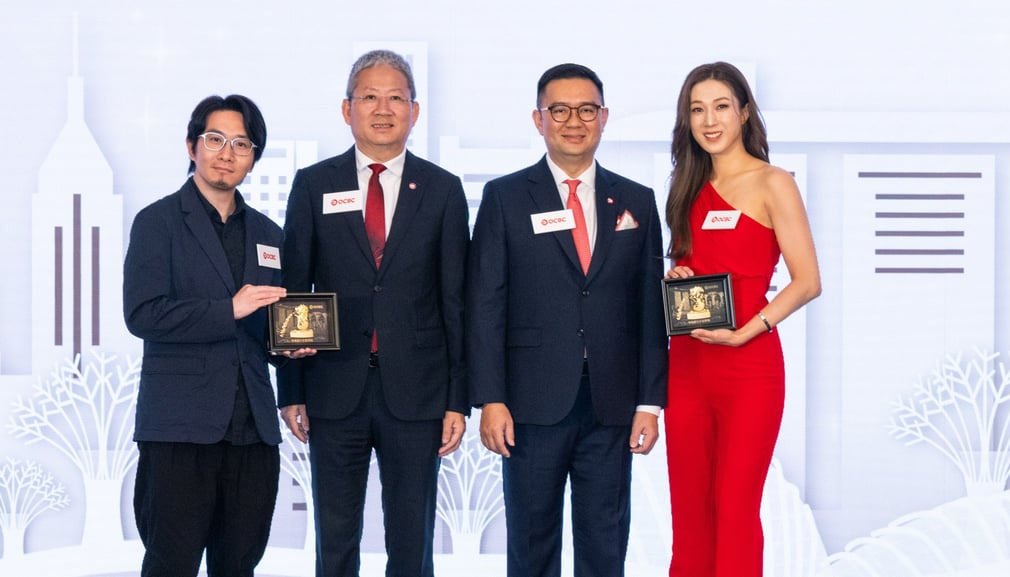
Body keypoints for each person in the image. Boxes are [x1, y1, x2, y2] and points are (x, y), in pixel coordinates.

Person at [467, 63, 668, 577]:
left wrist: (649, 402)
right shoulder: (506, 197)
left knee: (605, 545)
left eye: (586, 110)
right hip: (529, 405)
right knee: (531, 546)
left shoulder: (637, 200)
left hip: (611, 403)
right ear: (539, 119)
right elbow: (485, 303)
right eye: (559, 110)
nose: (573, 121)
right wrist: (490, 398)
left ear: (604, 117)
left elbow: (650, 309)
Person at [276, 49, 469, 577]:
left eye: (395, 98)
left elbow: (456, 300)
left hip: (419, 392)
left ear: (415, 110)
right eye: (369, 97)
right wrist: (291, 388)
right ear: (347, 109)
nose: (383, 109)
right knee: (335, 538)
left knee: (412, 541)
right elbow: (294, 287)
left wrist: (458, 398)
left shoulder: (443, 190)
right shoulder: (314, 184)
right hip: (333, 387)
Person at [662, 62, 821, 577]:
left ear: (745, 112)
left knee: (734, 511)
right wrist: (679, 276)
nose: (709, 120)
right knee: (690, 514)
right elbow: (696, 268)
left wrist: (748, 331)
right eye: (697, 109)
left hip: (749, 366)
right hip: (687, 367)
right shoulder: (685, 185)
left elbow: (807, 281)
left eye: (721, 107)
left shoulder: (774, 183)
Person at [123, 94, 289, 576]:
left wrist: (289, 346)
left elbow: (268, 325)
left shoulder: (269, 234)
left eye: (242, 143)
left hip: (253, 429)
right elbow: (143, 314)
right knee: (171, 563)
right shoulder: (157, 221)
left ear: (254, 157)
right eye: (215, 139)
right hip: (180, 428)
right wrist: (228, 309)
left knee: (239, 564)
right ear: (192, 146)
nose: (227, 153)